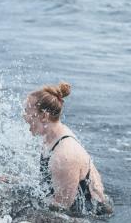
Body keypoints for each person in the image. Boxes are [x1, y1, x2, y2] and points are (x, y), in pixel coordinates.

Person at [22, 82, 112, 215]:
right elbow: (53, 181)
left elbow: (64, 205)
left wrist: (24, 197)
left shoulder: (64, 154)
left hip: (92, 218)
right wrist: (16, 183)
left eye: (27, 112)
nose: (24, 117)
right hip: (73, 208)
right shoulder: (51, 139)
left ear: (45, 116)